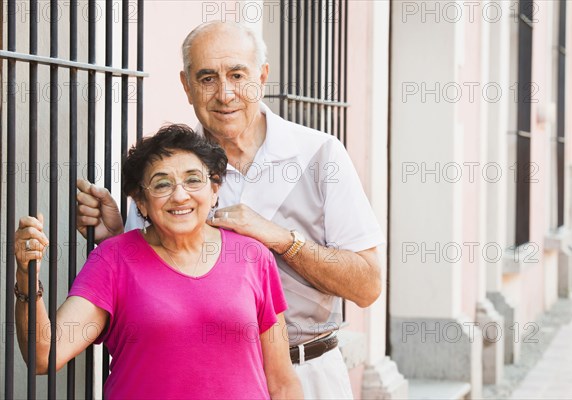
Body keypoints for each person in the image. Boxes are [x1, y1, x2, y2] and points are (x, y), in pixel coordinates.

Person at [76, 21, 383, 398]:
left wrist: (283, 240)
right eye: (207, 78)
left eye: (237, 75)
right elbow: (150, 285)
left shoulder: (320, 155)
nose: (225, 93)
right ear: (186, 86)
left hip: (309, 374)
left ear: (263, 76)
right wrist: (121, 235)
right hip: (213, 383)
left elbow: (367, 286)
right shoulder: (171, 175)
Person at [14, 124, 303, 399]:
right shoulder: (113, 259)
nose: (180, 196)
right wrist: (27, 277)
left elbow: (281, 382)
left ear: (214, 190)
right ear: (141, 201)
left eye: (193, 180)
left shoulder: (252, 256)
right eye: (162, 184)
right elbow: (45, 356)